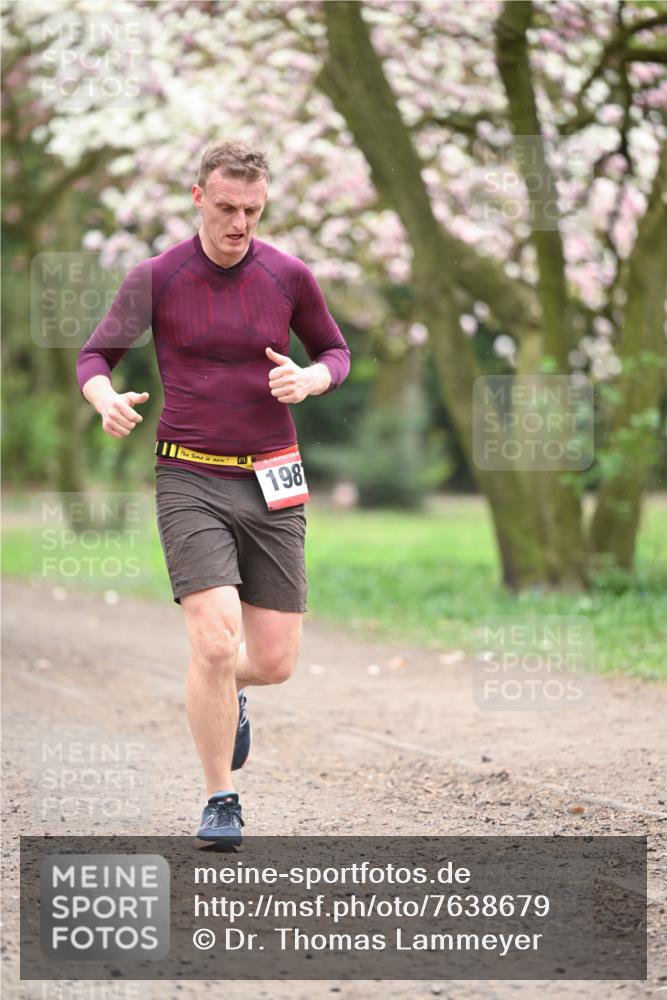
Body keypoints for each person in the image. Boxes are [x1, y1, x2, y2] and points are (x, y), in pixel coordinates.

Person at [76, 140, 351, 846]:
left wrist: (310, 379)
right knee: (213, 639)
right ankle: (219, 799)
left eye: (252, 211)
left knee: (274, 661)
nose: (239, 223)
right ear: (198, 197)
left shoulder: (288, 276)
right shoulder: (158, 276)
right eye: (226, 208)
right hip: (189, 474)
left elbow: (334, 350)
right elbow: (95, 355)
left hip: (274, 477)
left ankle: (229, 695)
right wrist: (104, 397)